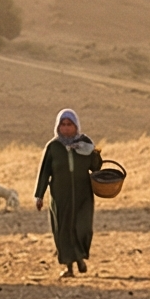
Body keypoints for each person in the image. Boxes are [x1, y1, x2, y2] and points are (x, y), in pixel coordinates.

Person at [35, 108, 100, 275]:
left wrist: (95, 153)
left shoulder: (85, 143)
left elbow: (96, 167)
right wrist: (39, 195)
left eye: (69, 124)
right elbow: (44, 172)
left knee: (82, 228)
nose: (66, 128)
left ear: (76, 126)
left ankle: (80, 257)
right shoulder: (53, 147)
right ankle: (70, 266)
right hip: (60, 196)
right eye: (62, 124)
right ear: (58, 127)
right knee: (63, 230)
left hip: (83, 195)